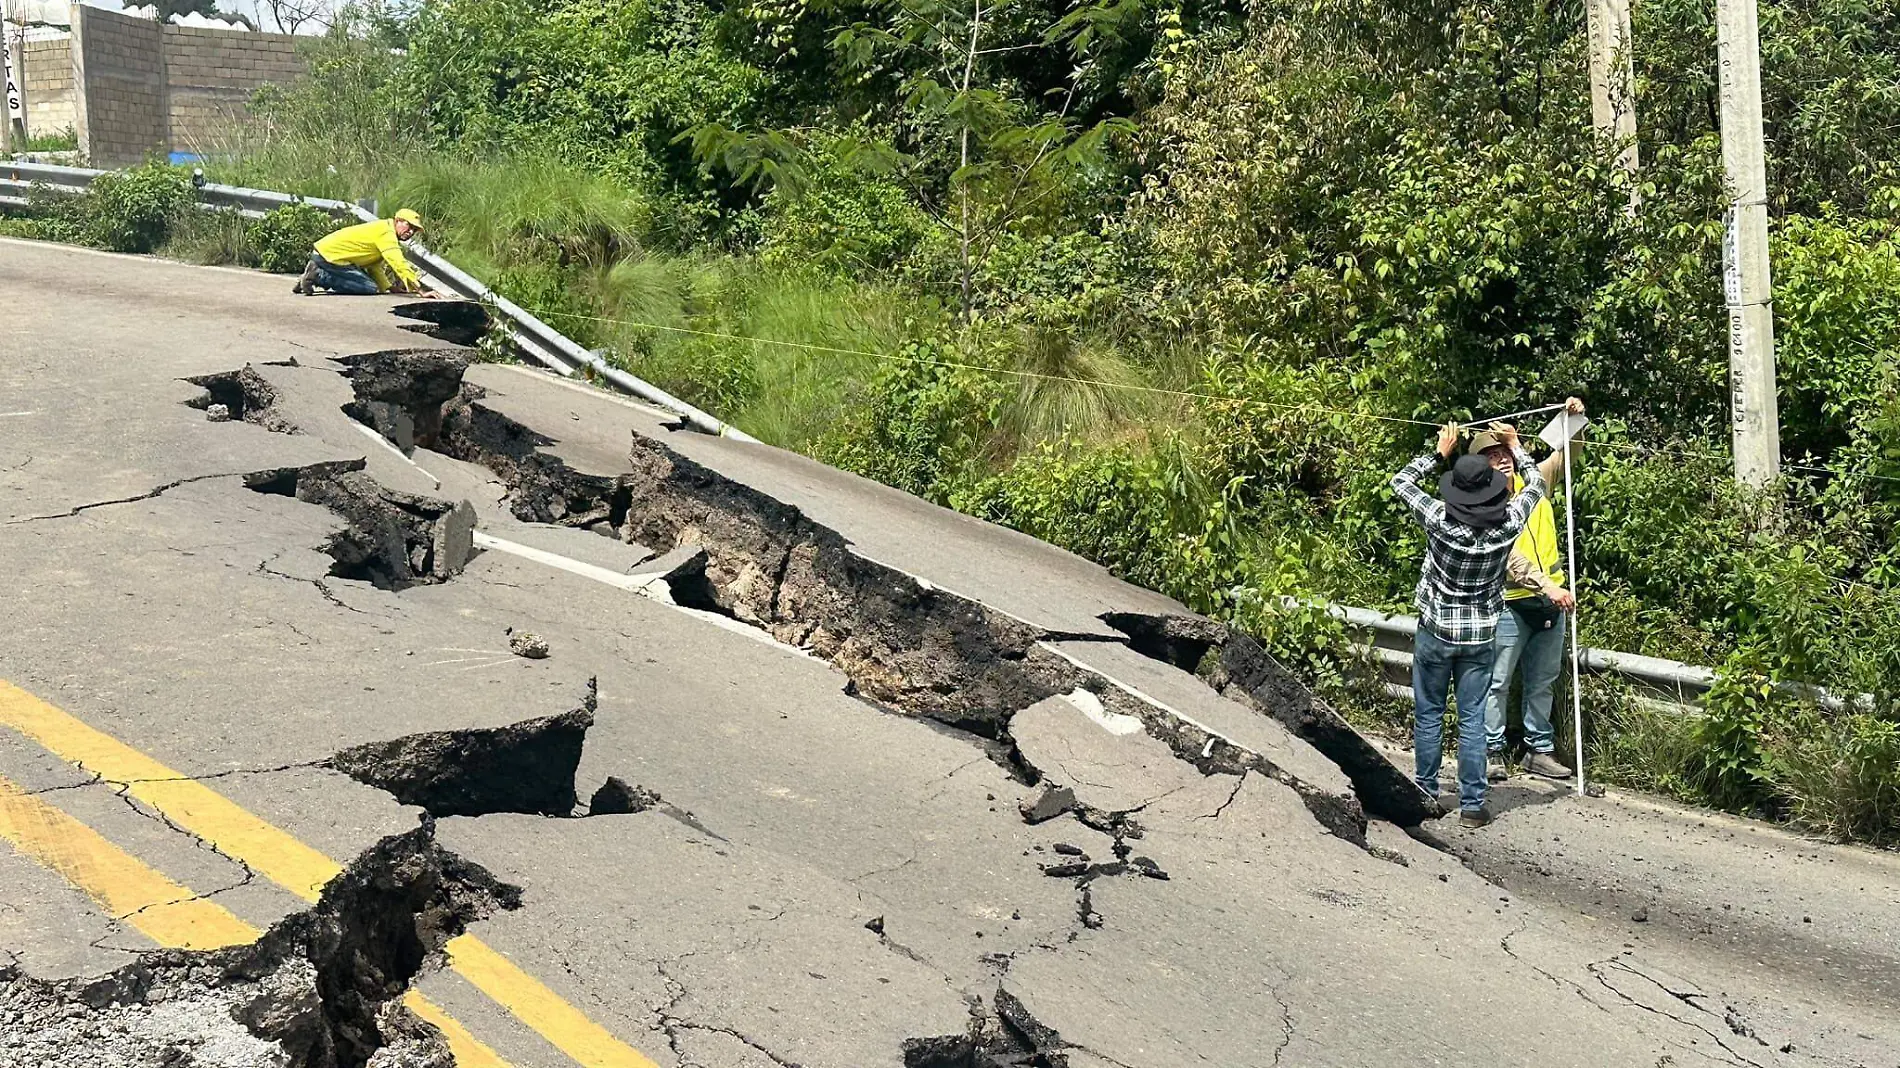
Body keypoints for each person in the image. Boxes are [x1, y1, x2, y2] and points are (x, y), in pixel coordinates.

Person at [1390, 420, 1545, 827]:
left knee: (1429, 713)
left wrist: (1440, 452)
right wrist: (1516, 445)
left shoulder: (1439, 519)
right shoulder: (1509, 523)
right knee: (1472, 716)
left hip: (1436, 629)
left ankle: (1425, 791)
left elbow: (1400, 481)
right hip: (1480, 635)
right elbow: (1537, 486)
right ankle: (1473, 804)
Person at [1473, 397, 1586, 782]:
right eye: (1490, 455)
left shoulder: (1535, 481)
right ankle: (1490, 750)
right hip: (1509, 602)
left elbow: (1569, 453)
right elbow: (1506, 559)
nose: (1500, 458)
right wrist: (1548, 588)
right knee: (1498, 681)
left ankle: (1539, 750)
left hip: (1550, 602)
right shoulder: (1482, 502)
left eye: (1503, 451)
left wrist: (1575, 418)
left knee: (1543, 681)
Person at [293, 208, 438, 298]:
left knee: (372, 286)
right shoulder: (386, 234)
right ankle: (318, 276)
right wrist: (421, 291)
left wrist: (389, 287)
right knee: (369, 288)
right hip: (330, 257)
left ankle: (311, 276)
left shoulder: (384, 229)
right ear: (398, 220)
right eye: (409, 226)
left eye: (414, 230)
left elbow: (374, 267)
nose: (410, 232)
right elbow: (399, 263)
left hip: (325, 254)